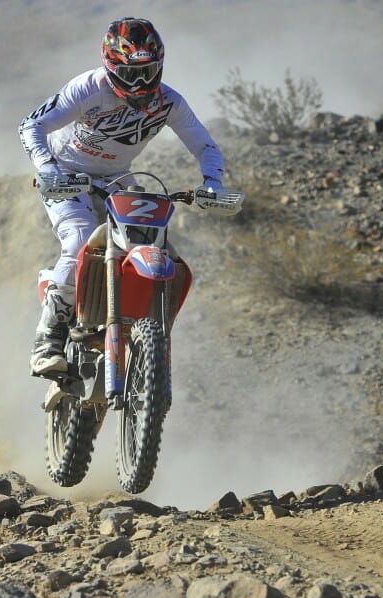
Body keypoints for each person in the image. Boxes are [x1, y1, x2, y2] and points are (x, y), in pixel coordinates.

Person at [19, 16, 228, 376]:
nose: (141, 83)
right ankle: (48, 341)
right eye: (131, 74)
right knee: (80, 239)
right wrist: (47, 168)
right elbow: (31, 125)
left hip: (117, 178)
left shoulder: (169, 102)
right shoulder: (87, 89)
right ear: (111, 66)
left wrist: (213, 183)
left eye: (148, 72)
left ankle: (136, 329)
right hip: (66, 175)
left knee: (153, 242)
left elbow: (205, 145)